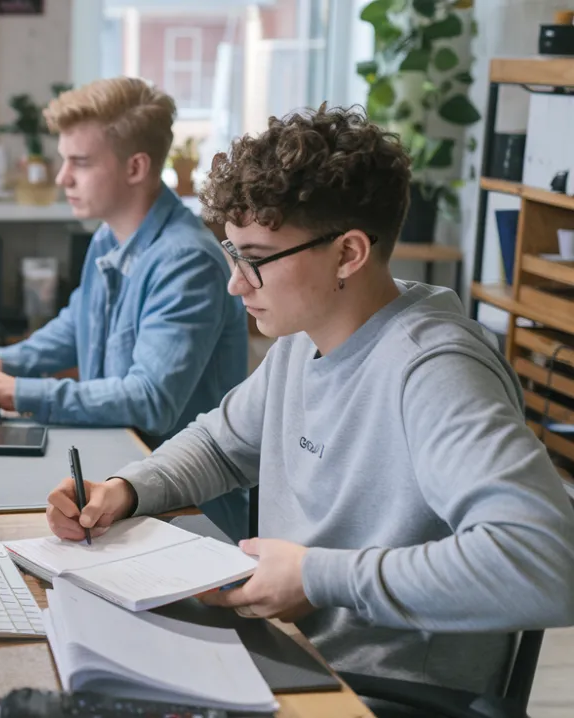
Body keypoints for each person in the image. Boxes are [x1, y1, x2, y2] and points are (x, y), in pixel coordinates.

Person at [44, 105, 574, 709]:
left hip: (385, 691)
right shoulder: (304, 340)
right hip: (294, 651)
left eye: (257, 259)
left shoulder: (437, 370)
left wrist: (316, 576)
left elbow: (543, 563)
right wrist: (124, 489)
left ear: (348, 253)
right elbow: (220, 444)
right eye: (231, 252)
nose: (235, 283)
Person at [0, 78, 250, 540]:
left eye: (79, 162)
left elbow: (149, 401)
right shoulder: (110, 233)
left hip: (187, 514)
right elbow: (77, 323)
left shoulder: (186, 261)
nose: (61, 178)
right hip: (114, 475)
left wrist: (18, 391)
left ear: (135, 167)